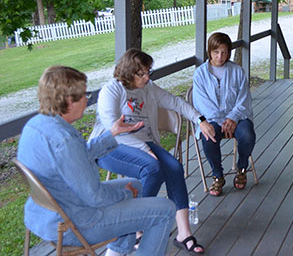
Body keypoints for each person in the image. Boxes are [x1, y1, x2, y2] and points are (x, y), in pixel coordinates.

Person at [17, 66, 176, 256]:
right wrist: (125, 195)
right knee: (164, 210)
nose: (88, 100)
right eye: (84, 94)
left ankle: (116, 253)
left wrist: (113, 133)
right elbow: (95, 196)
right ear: (69, 100)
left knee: (134, 184)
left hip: (46, 215)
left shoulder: (36, 125)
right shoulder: (64, 140)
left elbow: (78, 156)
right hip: (76, 223)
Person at [90, 48, 215, 255]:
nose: (147, 77)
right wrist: (146, 149)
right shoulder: (111, 91)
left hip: (142, 143)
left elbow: (175, 102)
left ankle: (183, 234)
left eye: (149, 72)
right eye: (142, 73)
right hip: (110, 146)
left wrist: (200, 120)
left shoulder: (148, 88)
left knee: (174, 167)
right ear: (129, 71)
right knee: (152, 167)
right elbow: (113, 129)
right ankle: (134, 225)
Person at [192, 32, 256, 196]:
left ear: (229, 52)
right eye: (216, 52)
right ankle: (217, 176)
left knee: (247, 135)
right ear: (210, 52)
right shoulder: (200, 73)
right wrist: (221, 120)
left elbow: (244, 99)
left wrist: (232, 118)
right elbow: (201, 102)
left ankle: (241, 168)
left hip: (238, 117)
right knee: (209, 137)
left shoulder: (237, 71)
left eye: (224, 52)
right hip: (212, 118)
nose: (220, 56)